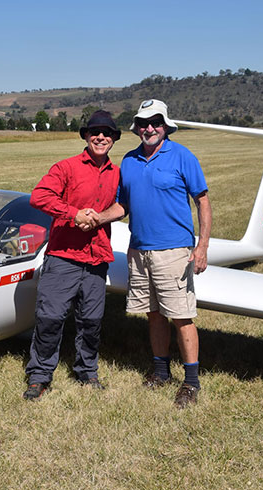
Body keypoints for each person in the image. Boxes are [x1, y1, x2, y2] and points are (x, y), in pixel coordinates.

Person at [87, 99, 212, 408]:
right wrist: (97, 218)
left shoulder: (182, 156)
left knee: (181, 316)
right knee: (153, 314)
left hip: (173, 251)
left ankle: (191, 382)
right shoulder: (128, 161)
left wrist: (202, 246)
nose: (149, 128)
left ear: (165, 125)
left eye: (155, 122)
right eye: (143, 123)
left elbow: (203, 200)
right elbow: (123, 205)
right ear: (136, 129)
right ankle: (161, 372)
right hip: (139, 251)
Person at [23, 110, 121, 400]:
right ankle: (39, 376)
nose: (100, 137)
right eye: (95, 132)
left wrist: (100, 218)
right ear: (86, 136)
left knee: (91, 320)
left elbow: (122, 205)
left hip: (96, 257)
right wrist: (74, 213)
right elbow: (38, 196)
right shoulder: (66, 167)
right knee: (50, 317)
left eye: (106, 133)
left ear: (114, 139)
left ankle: (87, 372)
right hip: (63, 256)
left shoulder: (118, 173)